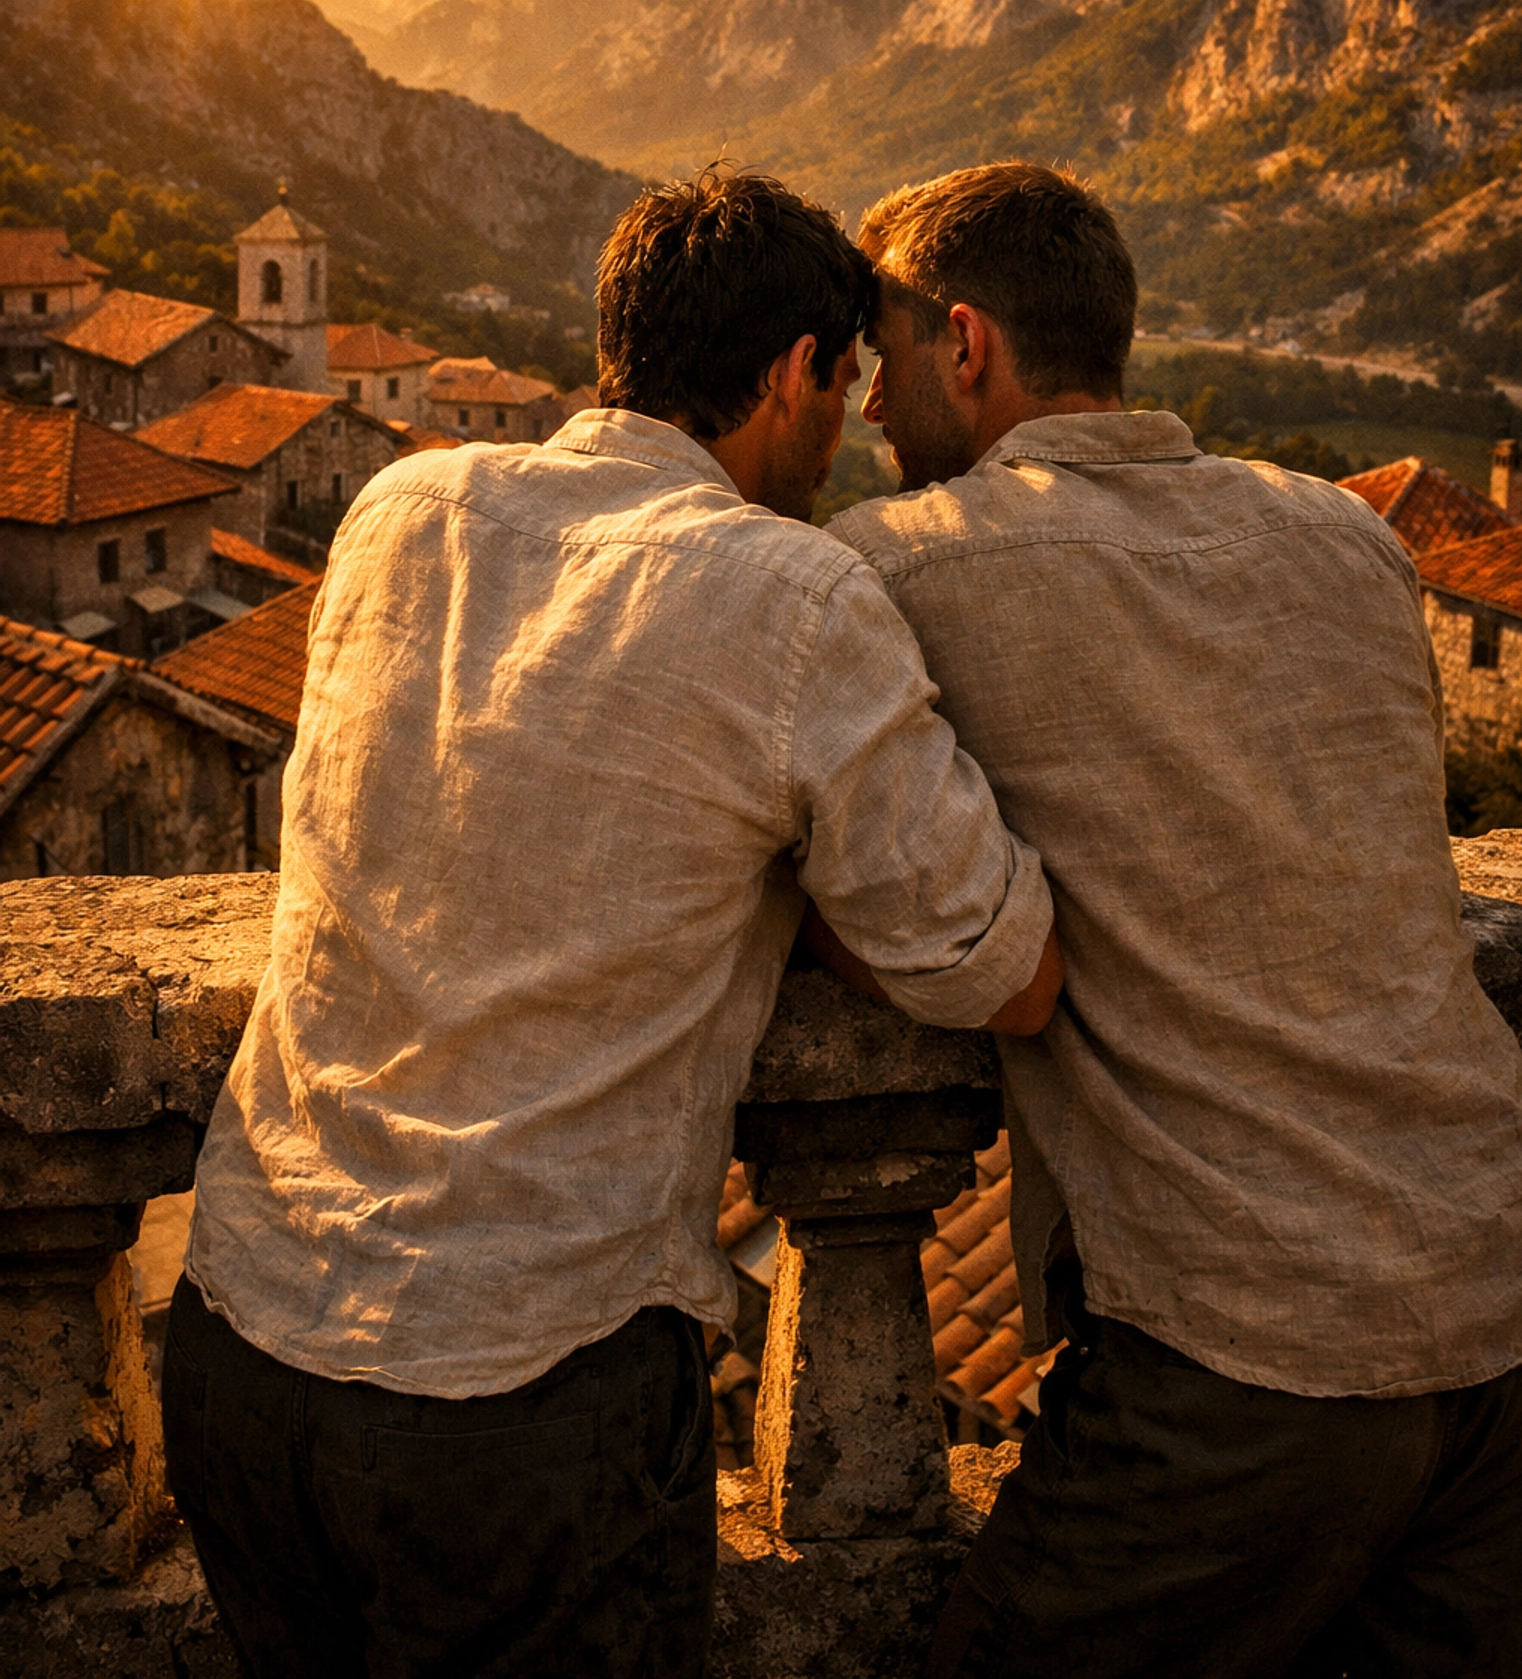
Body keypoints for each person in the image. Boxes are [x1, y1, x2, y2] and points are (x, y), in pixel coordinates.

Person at [162, 168, 1061, 1679]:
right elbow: (1006, 970)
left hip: (244, 1334)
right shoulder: (794, 594)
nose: (843, 433)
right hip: (520, 1396)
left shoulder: (402, 509)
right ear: (796, 373)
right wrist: (798, 892)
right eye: (842, 385)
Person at [826, 160, 1522, 1679]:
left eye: (883, 359)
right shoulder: (1350, 542)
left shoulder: (901, 571)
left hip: (1248, 1354)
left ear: (965, 344)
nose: (872, 406)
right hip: (1502, 1308)